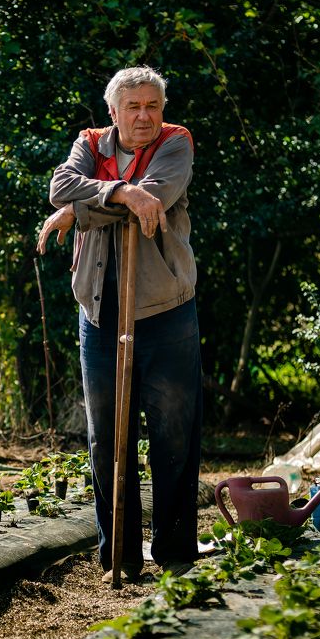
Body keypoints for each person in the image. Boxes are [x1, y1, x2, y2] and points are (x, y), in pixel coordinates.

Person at [37, 66, 201, 583]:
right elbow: (60, 184)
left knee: (174, 432)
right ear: (114, 112)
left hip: (166, 309)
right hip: (101, 311)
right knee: (106, 435)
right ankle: (122, 556)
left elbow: (161, 193)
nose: (144, 116)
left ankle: (174, 552)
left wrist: (77, 212)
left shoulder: (176, 144)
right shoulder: (89, 143)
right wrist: (123, 195)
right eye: (133, 107)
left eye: (152, 105)